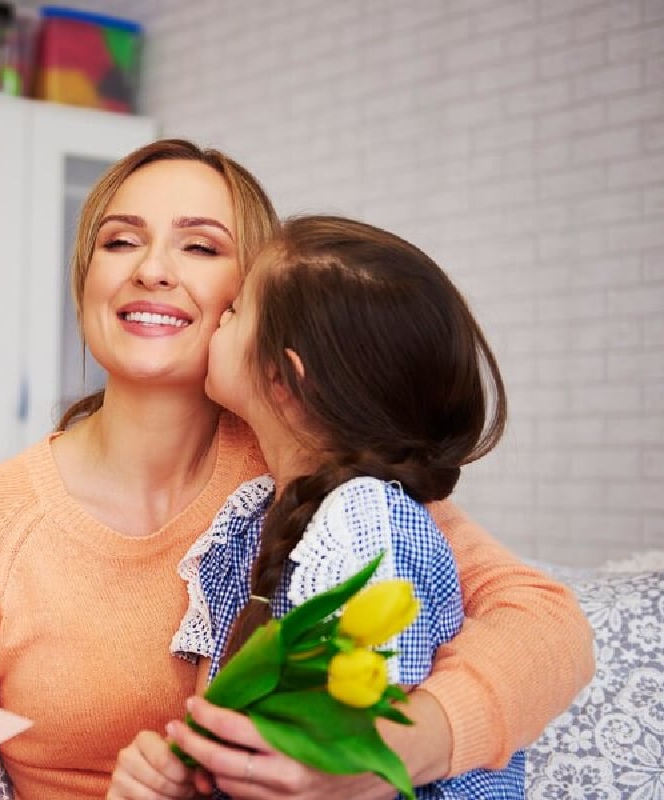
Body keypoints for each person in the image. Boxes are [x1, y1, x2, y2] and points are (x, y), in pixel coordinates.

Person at [0, 140, 594, 800]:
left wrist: (372, 763)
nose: (151, 268)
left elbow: (548, 625)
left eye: (200, 245)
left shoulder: (319, 476)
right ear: (85, 281)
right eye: (120, 241)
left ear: (252, 297)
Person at [110, 215, 524, 799]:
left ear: (283, 376)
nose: (219, 318)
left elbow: (342, 760)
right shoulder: (257, 512)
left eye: (235, 313)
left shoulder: (366, 523)